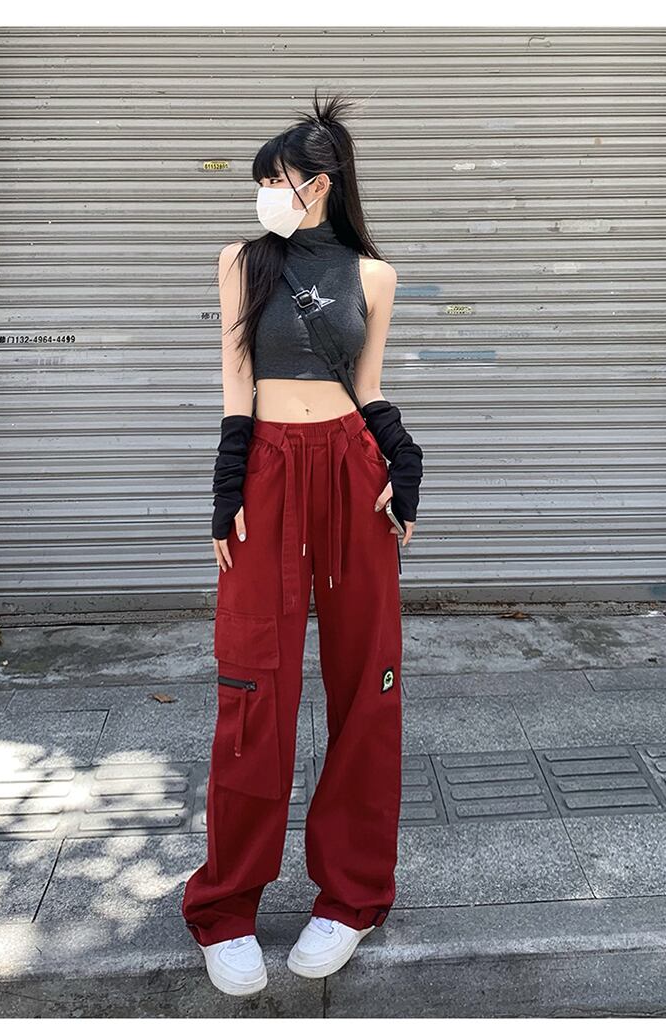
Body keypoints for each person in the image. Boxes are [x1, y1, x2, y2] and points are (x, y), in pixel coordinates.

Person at [181, 89, 424, 997]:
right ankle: (226, 903)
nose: (263, 193)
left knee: (368, 680)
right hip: (270, 471)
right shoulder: (242, 261)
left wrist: (403, 461)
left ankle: (351, 896)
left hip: (353, 473)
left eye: (275, 179)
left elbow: (369, 386)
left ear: (317, 185)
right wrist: (227, 487)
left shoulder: (375, 276)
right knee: (253, 682)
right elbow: (234, 382)